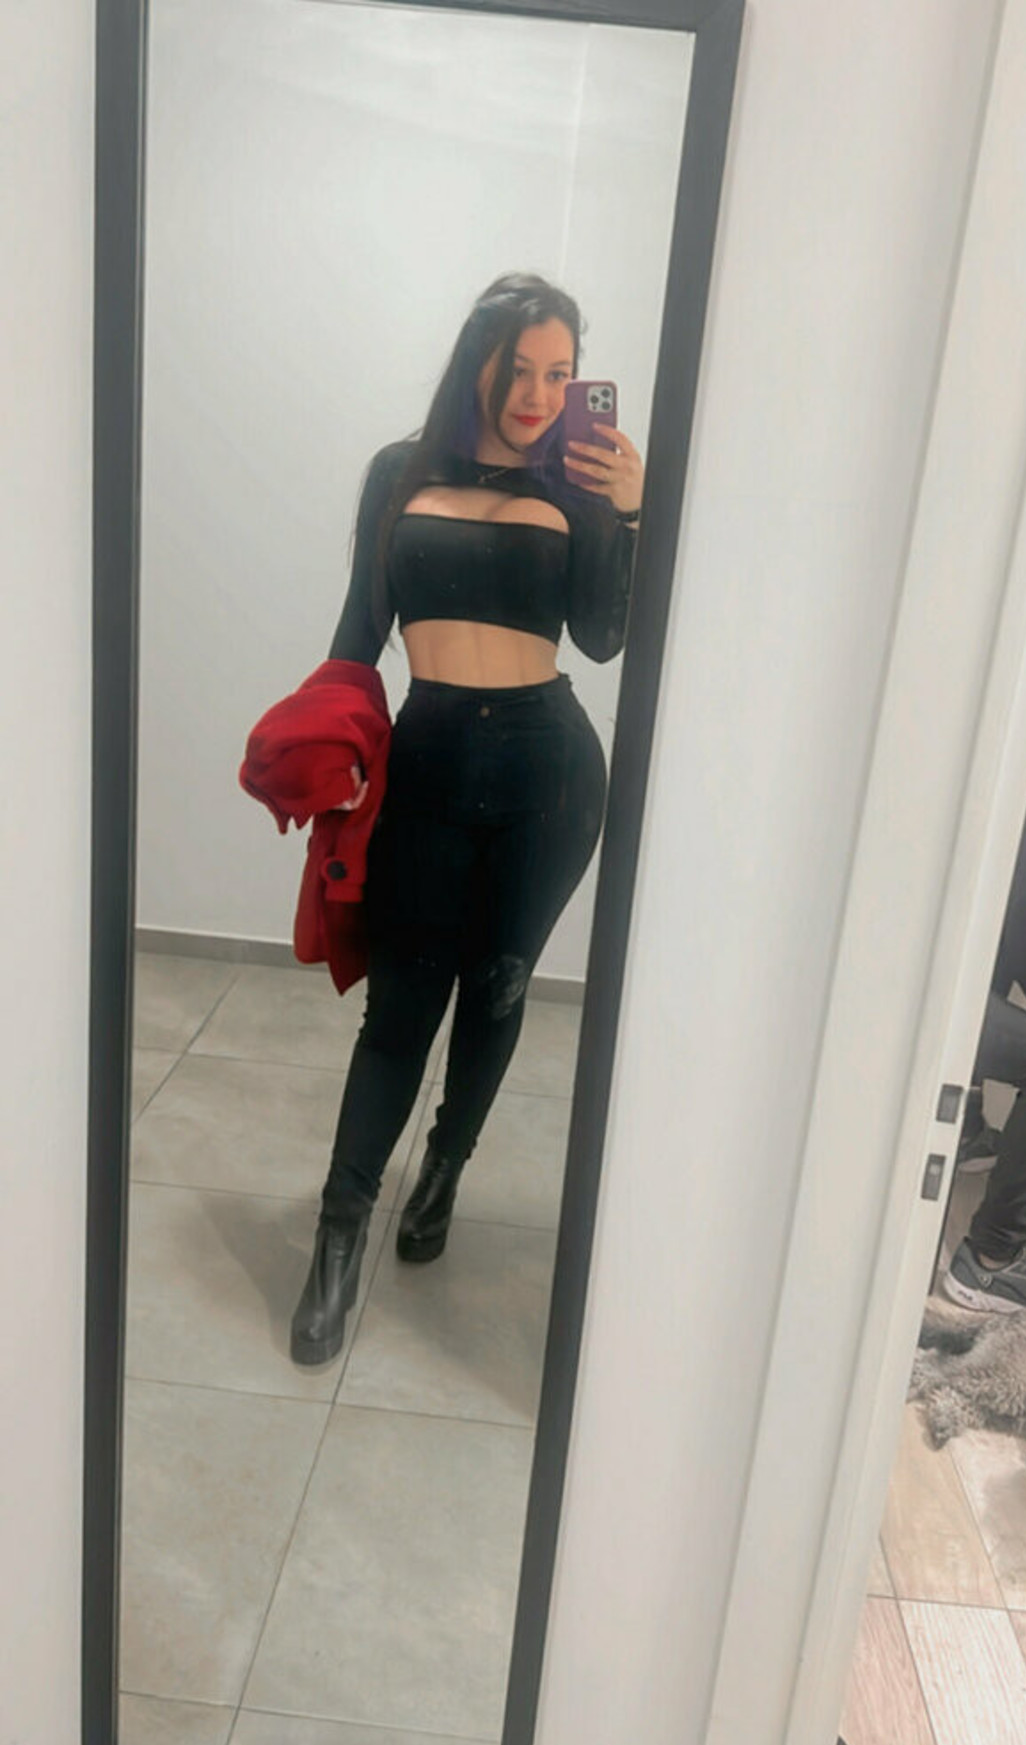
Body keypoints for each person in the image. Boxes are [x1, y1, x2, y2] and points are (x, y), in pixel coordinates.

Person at [289, 273, 643, 1364]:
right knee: (400, 1009)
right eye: (519, 368)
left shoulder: (578, 485)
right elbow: (359, 632)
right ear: (477, 362)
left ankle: (444, 1170)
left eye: (559, 373)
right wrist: (321, 743)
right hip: (430, 759)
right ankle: (339, 1231)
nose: (538, 393)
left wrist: (629, 511)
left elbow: (603, 635)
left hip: (551, 773)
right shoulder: (399, 474)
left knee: (498, 986)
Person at [945, 747, 1026, 1315]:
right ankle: (992, 1261)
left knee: (994, 948)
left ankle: (965, 1129)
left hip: (919, 980)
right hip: (912, 1004)